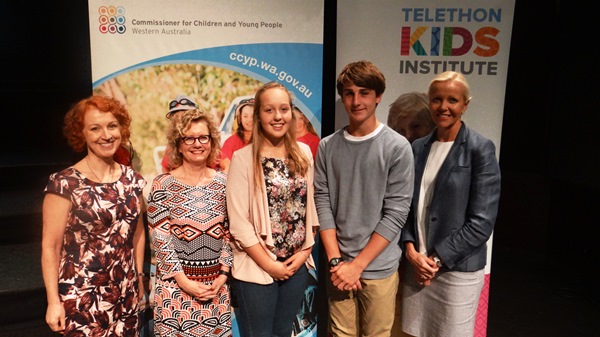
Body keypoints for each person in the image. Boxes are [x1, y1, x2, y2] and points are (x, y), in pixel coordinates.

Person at [314, 60, 414, 337]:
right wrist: (336, 262)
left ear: (378, 96)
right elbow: (322, 202)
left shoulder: (397, 147)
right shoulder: (327, 146)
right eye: (349, 93)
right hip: (338, 266)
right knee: (340, 333)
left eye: (364, 92)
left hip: (378, 268)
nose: (356, 100)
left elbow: (396, 213)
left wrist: (357, 266)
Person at [400, 71, 501, 337]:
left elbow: (482, 223)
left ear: (465, 105)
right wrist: (411, 251)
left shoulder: (480, 149)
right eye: (436, 99)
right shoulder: (418, 147)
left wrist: (434, 260)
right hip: (416, 269)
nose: (443, 107)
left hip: (456, 272)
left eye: (452, 100)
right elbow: (406, 207)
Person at [41, 95, 147, 336]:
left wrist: (139, 277)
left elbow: (138, 232)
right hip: (82, 300)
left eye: (112, 126)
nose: (106, 135)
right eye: (95, 128)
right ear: (82, 134)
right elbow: (51, 246)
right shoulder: (64, 184)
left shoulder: (133, 179)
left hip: (125, 295)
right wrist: (53, 301)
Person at [226, 81, 319, 337]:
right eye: (269, 110)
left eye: (284, 109)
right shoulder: (243, 159)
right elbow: (239, 223)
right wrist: (270, 265)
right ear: (257, 116)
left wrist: (303, 254)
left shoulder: (304, 153)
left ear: (292, 113)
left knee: (283, 334)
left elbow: (309, 208)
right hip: (257, 270)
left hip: (295, 267)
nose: (277, 116)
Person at [147, 108, 233, 337]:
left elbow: (229, 234)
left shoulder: (225, 183)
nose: (197, 144)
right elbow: (161, 241)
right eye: (189, 138)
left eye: (203, 137)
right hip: (175, 293)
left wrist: (223, 276)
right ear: (178, 144)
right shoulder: (162, 185)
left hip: (215, 291)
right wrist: (185, 283)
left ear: (212, 141)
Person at [387, 91, 436, 337]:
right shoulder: (389, 156)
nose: (408, 136)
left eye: (416, 126)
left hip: (430, 259)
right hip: (390, 256)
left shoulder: (439, 161)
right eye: (399, 129)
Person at [160, 94, 199, 173]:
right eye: (176, 117)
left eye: (185, 116)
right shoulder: (172, 145)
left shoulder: (205, 141)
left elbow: (225, 166)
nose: (180, 120)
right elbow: (165, 168)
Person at [219, 97, 254, 172]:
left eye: (253, 116)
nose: (249, 120)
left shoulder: (267, 140)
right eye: (245, 116)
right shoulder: (230, 143)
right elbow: (227, 170)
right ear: (240, 118)